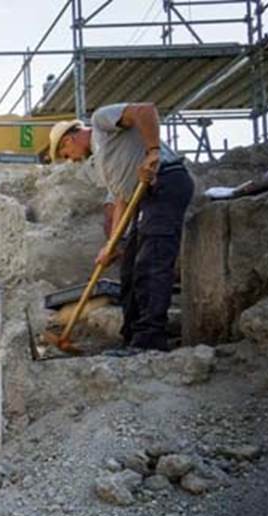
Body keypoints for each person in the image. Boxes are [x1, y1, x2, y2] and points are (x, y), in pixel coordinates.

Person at [48, 103, 194, 354]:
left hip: (166, 181)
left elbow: (145, 110)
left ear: (68, 140)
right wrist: (112, 244)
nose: (70, 160)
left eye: (66, 154)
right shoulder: (104, 162)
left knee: (152, 262)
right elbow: (122, 201)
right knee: (129, 271)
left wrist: (153, 152)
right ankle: (132, 338)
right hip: (143, 197)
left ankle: (150, 341)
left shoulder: (101, 121)